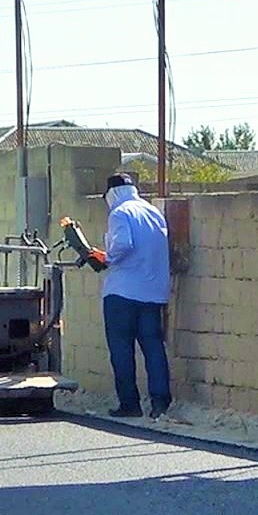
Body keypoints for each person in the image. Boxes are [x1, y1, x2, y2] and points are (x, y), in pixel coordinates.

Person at [99, 172, 173, 419]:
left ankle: (129, 404)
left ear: (112, 193)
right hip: (153, 293)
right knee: (153, 348)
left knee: (121, 350)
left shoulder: (119, 213)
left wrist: (105, 257)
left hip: (122, 292)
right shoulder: (153, 212)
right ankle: (160, 403)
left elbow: (122, 245)